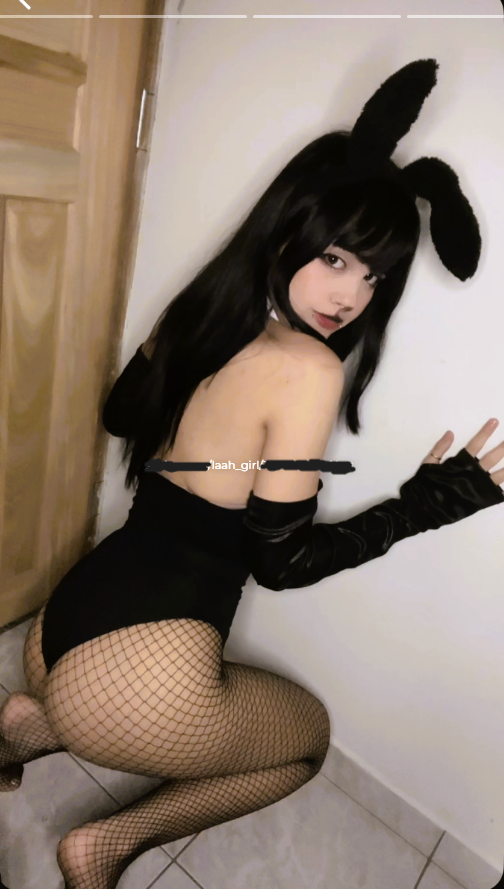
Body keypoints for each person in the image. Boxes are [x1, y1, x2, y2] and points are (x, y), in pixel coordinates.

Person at [0, 60, 502, 889]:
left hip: (62, 627)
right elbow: (281, 561)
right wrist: (425, 506)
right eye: (337, 258)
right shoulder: (307, 368)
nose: (352, 295)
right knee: (305, 745)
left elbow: (122, 414)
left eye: (374, 276)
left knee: (110, 699)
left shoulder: (202, 309)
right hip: (135, 682)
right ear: (288, 232)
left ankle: (27, 722)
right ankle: (101, 845)